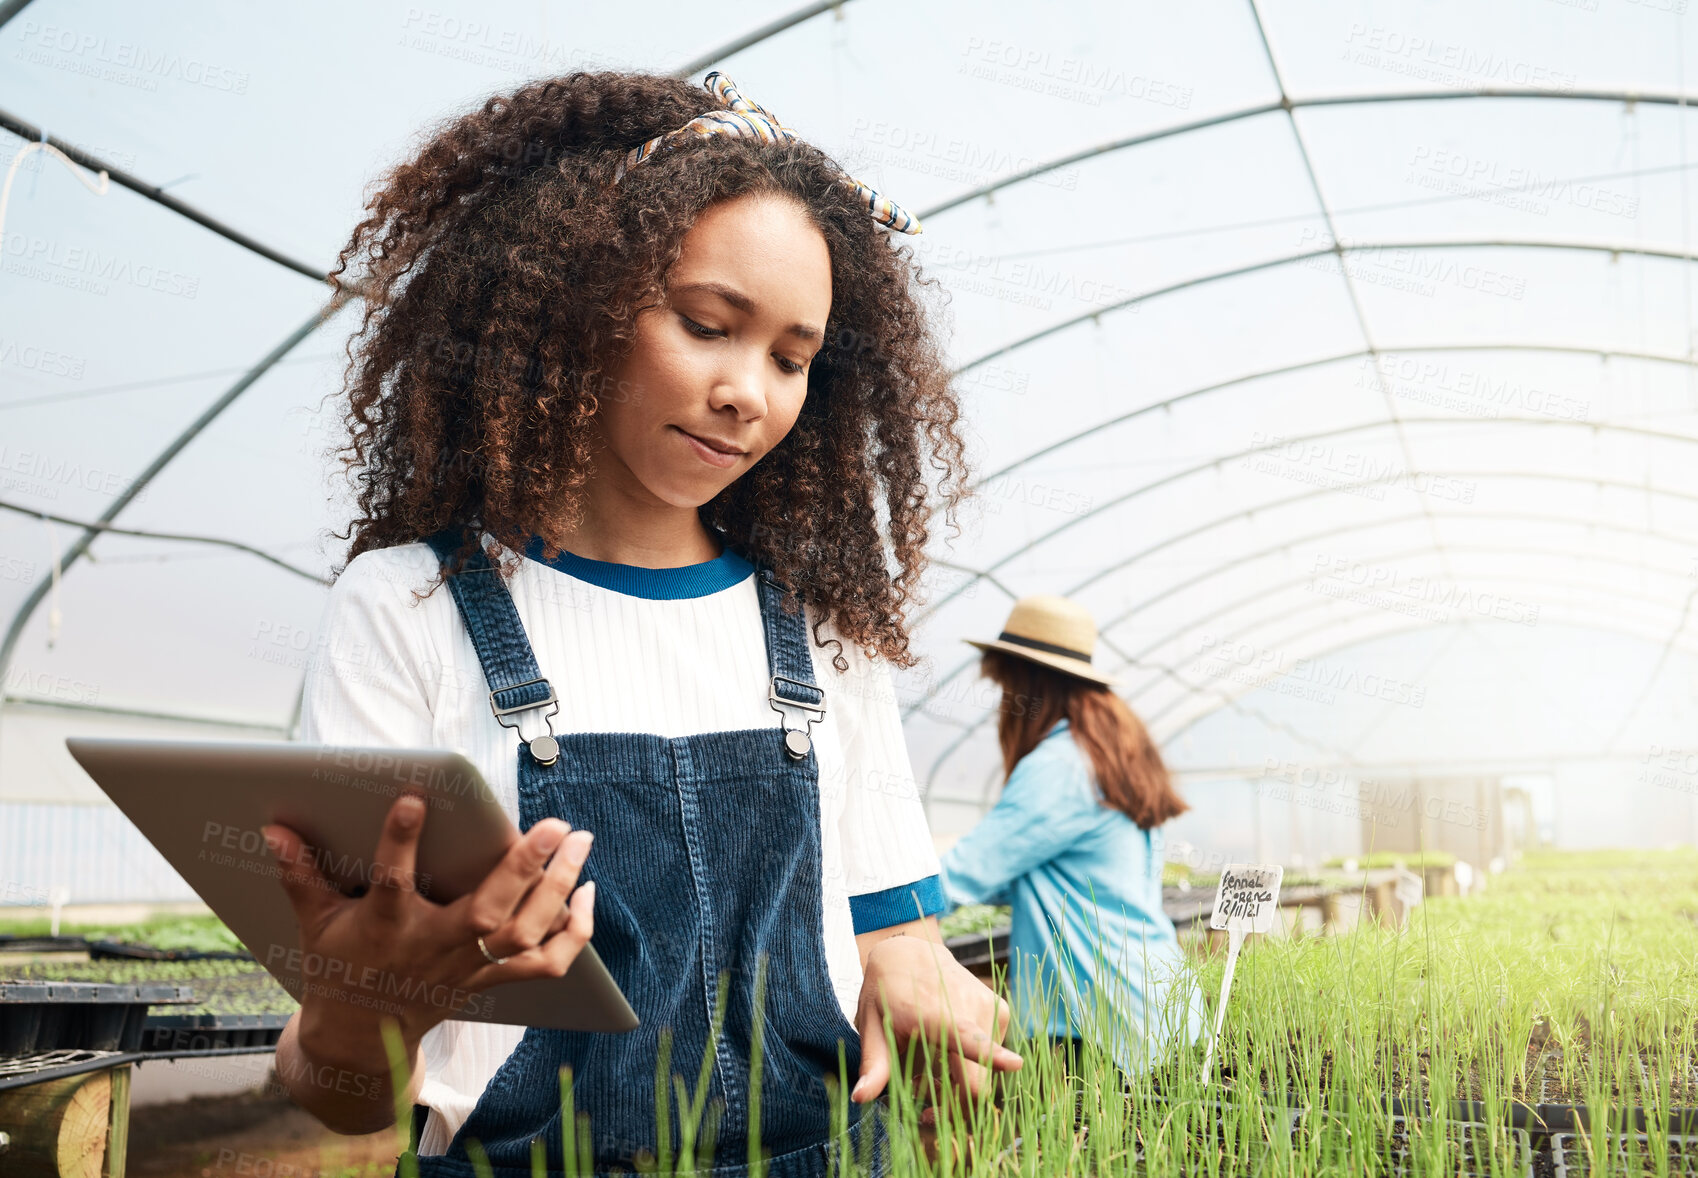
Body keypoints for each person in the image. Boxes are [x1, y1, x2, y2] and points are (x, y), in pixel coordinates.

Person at [263, 70, 1021, 1178]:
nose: (746, 390)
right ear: (575, 297)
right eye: (707, 325)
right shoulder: (411, 607)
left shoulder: (817, 632)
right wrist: (362, 1005)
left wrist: (917, 970)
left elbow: (895, 935)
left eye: (791, 357)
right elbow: (341, 1096)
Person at [937, 594, 1204, 1079]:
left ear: (1027, 684)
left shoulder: (1059, 768)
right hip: (1161, 1002)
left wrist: (865, 905)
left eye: (1004, 685)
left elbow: (957, 878)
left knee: (1075, 1150)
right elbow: (1051, 876)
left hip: (1099, 1022)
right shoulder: (1105, 752)